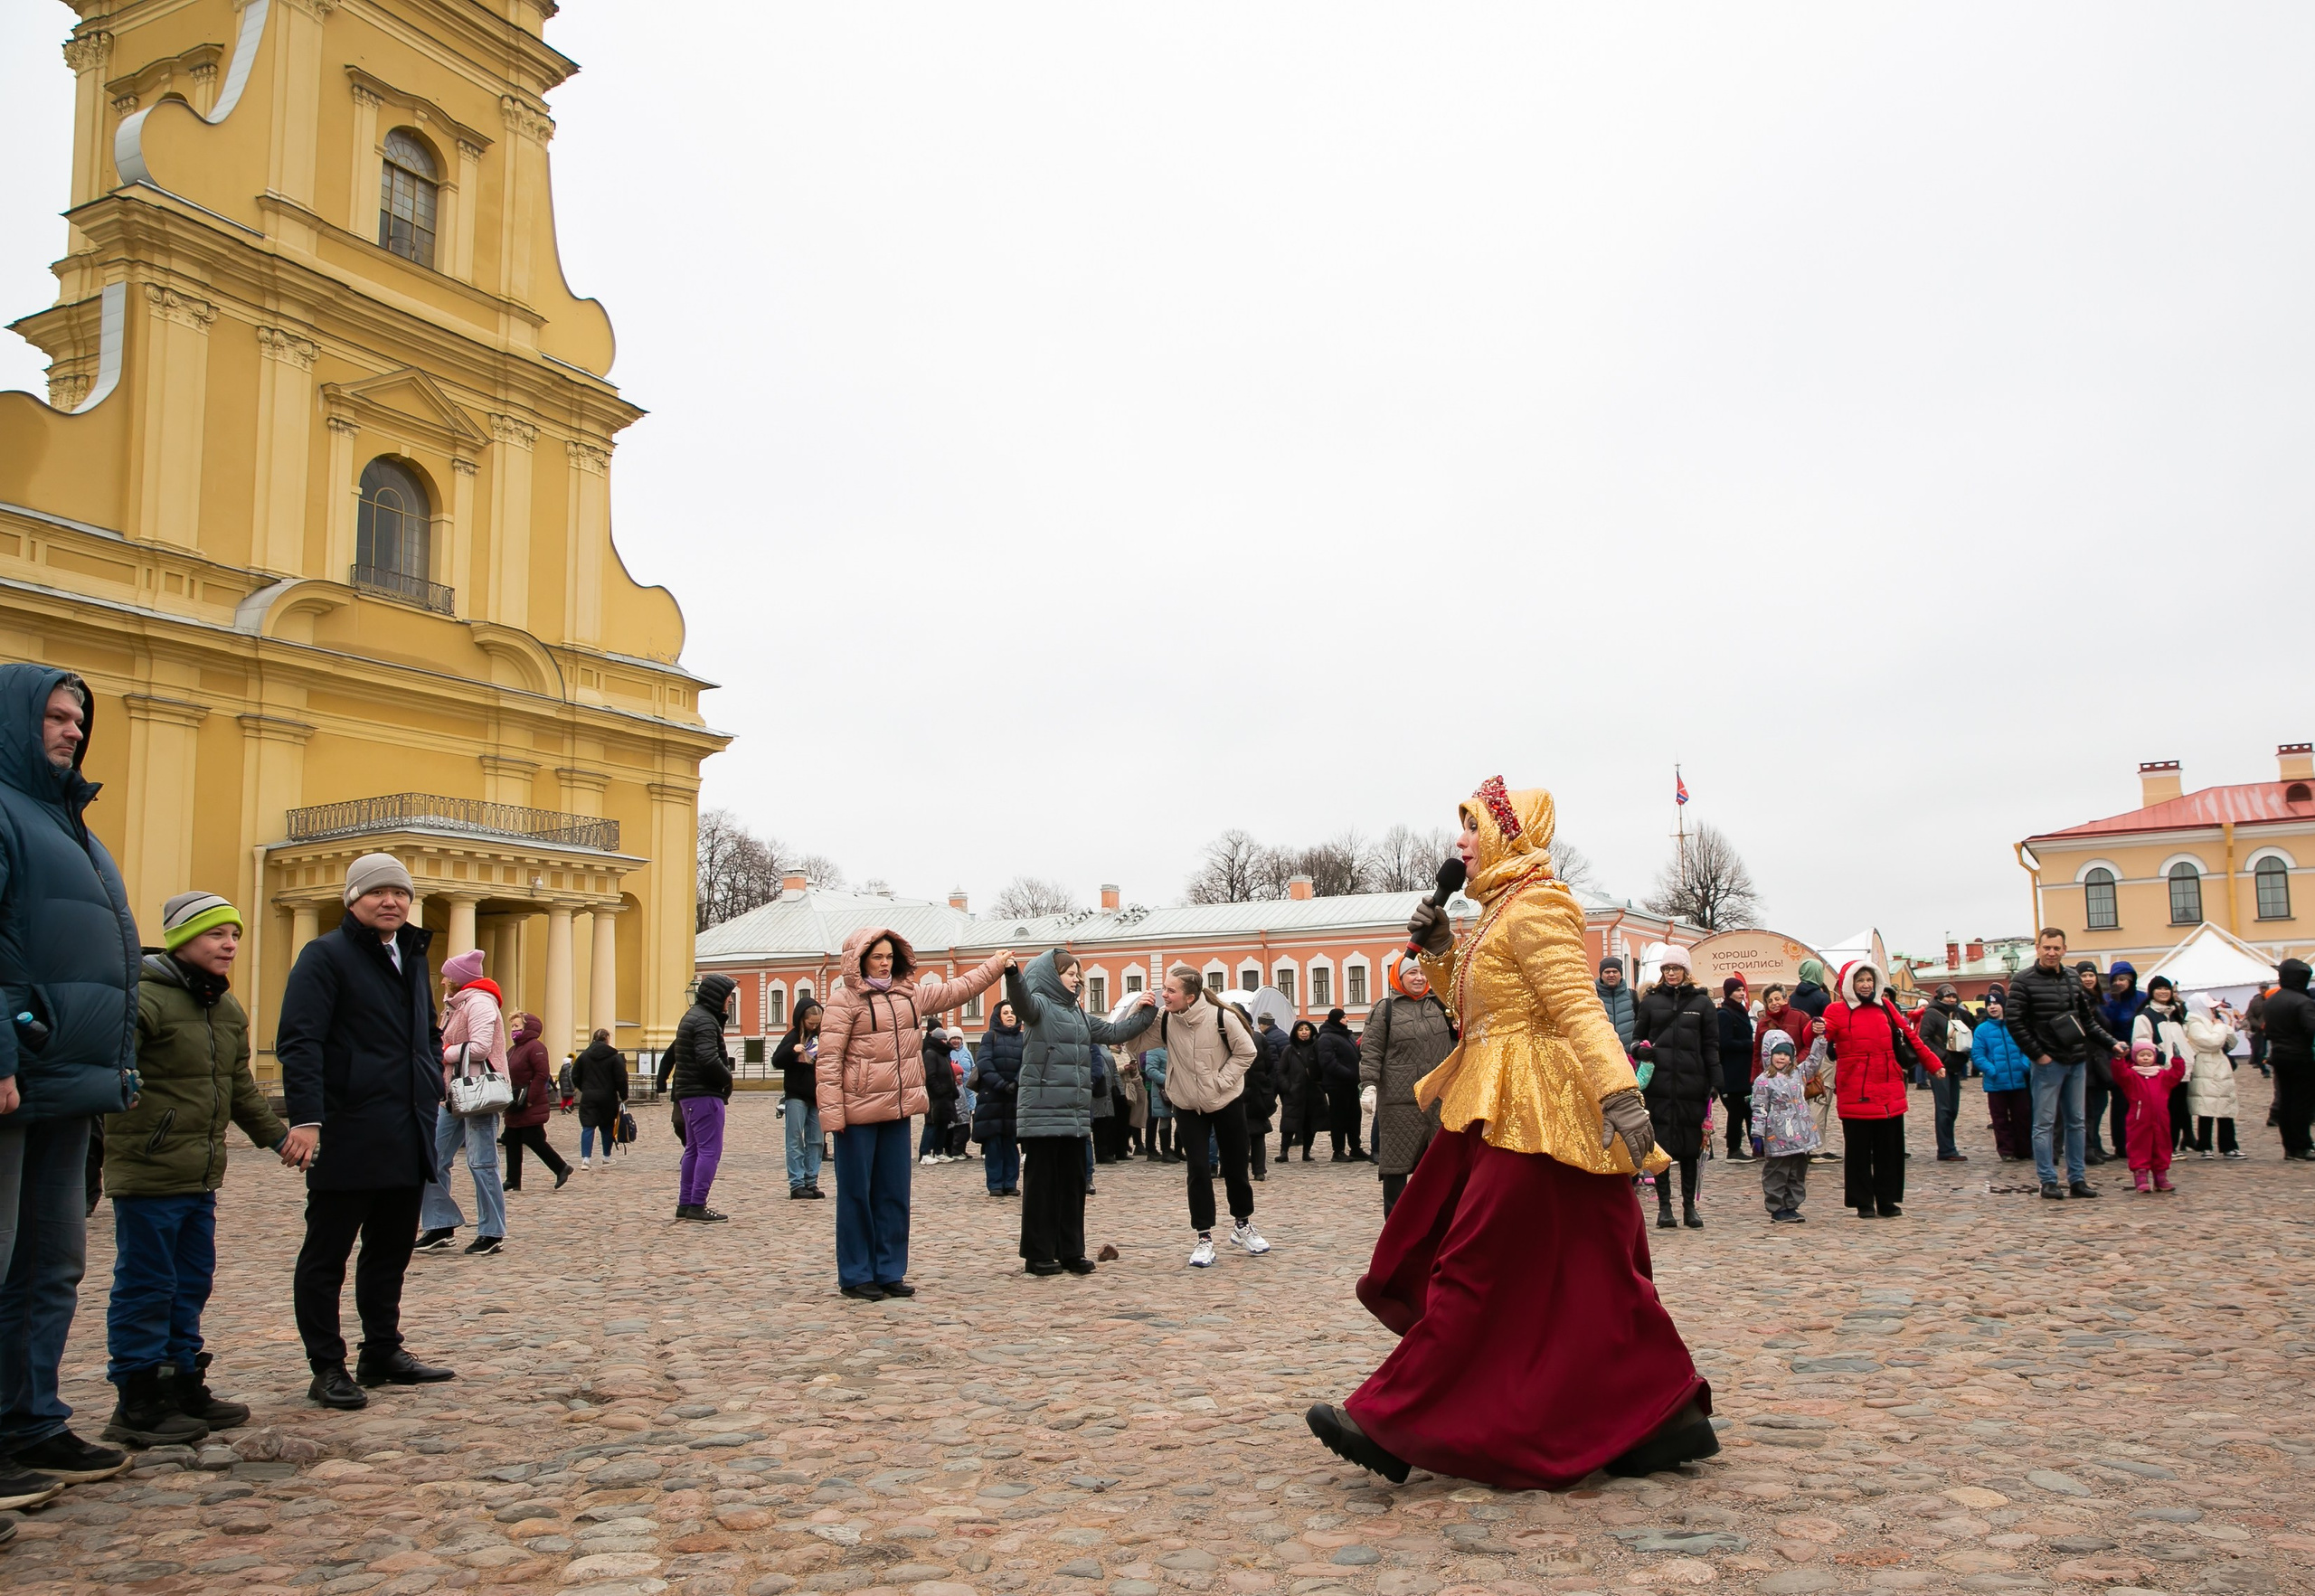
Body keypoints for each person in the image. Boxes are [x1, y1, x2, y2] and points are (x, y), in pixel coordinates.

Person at [1307, 778, 1710, 1489]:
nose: (1459, 842)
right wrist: (1437, 953)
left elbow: (1577, 1008)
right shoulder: (1498, 911)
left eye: (1470, 828)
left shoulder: (1539, 906)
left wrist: (1619, 1094)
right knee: (1600, 1272)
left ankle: (1392, 1420)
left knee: (1473, 1263)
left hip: (1542, 1110)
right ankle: (1665, 1415)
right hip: (1502, 1105)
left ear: (1505, 832)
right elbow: (1481, 1005)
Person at [0, 669, 143, 1496]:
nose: (69, 731)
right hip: (14, 1076)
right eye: (55, 717)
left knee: (52, 1261)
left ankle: (33, 1420)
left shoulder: (74, 826)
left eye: (78, 720)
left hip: (67, 1080)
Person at [100, 892, 293, 1451]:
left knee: (191, 1280)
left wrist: (279, 1139)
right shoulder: (142, 1000)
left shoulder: (224, 1008)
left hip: (201, 1172)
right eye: (216, 935)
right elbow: (112, 1069)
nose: (230, 945)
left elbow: (239, 1090)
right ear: (183, 939)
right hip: (149, 1171)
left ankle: (183, 1381)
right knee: (146, 1284)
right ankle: (137, 1399)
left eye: (234, 935)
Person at [279, 852, 456, 1410]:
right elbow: (300, 1040)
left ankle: (381, 1349)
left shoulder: (409, 955)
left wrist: (431, 1080)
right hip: (350, 1126)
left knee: (389, 1251)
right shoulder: (324, 956)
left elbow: (425, 1033)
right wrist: (308, 1119)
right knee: (327, 1255)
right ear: (352, 899)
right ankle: (326, 1366)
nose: (391, 902)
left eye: (400, 893)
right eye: (378, 892)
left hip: (406, 1126)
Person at [816, 929, 1009, 1300]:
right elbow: (828, 1062)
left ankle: (889, 1270)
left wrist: (995, 965)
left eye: (890, 956)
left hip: (898, 1110)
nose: (885, 962)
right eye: (877, 957)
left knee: (894, 1194)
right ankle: (856, 1274)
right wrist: (832, 1116)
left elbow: (958, 989)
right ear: (859, 960)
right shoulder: (844, 1000)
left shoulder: (910, 995)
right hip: (856, 1113)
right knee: (857, 1195)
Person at [1003, 951, 1157, 1274]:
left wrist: (1145, 1013)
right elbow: (1021, 1004)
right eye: (1069, 973)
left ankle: (1071, 1251)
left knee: (1073, 1186)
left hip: (1074, 1115)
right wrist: (1013, 975)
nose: (1076, 978)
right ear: (1049, 975)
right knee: (1042, 1188)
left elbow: (1115, 1033)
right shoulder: (1038, 1007)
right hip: (1043, 1113)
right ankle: (1038, 1254)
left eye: (1077, 973)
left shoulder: (1079, 1014)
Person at [1150, 966, 1265, 1266]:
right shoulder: (1165, 1019)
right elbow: (1136, 1045)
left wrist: (1221, 1082)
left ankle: (1243, 1224)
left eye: (1170, 990)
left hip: (1225, 1101)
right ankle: (1204, 1237)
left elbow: (1247, 1052)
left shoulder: (1221, 1017)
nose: (1164, 994)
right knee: (1198, 1169)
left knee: (1237, 1165)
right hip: (1187, 1104)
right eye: (1164, 988)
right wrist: (1140, 1014)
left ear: (1190, 996)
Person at [2003, 930, 2127, 1200]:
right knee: (2045, 1123)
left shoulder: (2072, 977)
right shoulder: (2023, 981)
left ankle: (2077, 1178)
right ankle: (2048, 1180)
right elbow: (2015, 1023)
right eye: (2046, 947)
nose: (2051, 952)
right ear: (2037, 948)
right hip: (2048, 1062)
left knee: (2077, 1121)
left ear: (2064, 949)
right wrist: (2038, 1054)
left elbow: (2087, 1020)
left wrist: (2110, 1043)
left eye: (2056, 948)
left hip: (2076, 1059)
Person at [1822, 962, 1938, 1219]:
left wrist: (1933, 1064)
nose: (1865, 984)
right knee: (1858, 1151)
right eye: (1860, 980)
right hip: (1856, 1090)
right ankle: (1863, 1201)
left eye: (1869, 979)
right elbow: (1819, 1037)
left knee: (1890, 1149)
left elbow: (1910, 1036)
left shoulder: (1885, 1006)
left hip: (1889, 1089)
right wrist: (1815, 1028)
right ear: (1849, 983)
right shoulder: (1836, 1010)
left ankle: (1888, 1200)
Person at [415, 949, 508, 1256]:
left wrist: (443, 1051)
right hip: (453, 1094)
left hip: (478, 1093)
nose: (443, 981)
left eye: (447, 976)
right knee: (432, 1158)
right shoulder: (458, 1004)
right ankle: (440, 1224)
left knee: (482, 1162)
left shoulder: (480, 1003)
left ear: (458, 979)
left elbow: (480, 1048)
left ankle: (492, 1231)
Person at [1361, 958, 1456, 1216]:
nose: (1420, 978)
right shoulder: (1385, 1010)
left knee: (1438, 1166)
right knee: (1396, 1166)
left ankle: (1434, 1221)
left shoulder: (1438, 1006)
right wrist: (1368, 1085)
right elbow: (1371, 1051)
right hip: (1398, 1103)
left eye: (1423, 973)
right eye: (1413, 973)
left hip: (1437, 1102)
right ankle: (1395, 1222)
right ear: (1399, 977)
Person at [1633, 953, 1716, 1230]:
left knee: (1690, 1148)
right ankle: (1665, 1207)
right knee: (1662, 1148)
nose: (1671, 973)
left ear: (1686, 971)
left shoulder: (1702, 1004)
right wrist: (1640, 1050)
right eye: (1667, 968)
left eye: (1676, 968)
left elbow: (1711, 1045)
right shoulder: (1651, 1002)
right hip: (1659, 1085)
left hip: (1692, 1084)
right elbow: (1635, 1039)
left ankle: (1690, 1207)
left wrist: (1716, 1080)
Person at [666, 975, 737, 1222]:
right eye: (728, 994)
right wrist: (727, 1078)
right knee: (709, 1150)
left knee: (693, 1149)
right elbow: (707, 1059)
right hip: (704, 1093)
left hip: (688, 1093)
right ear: (717, 996)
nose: (730, 1000)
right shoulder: (706, 1021)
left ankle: (686, 1203)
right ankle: (697, 1203)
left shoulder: (693, 1017)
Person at [1752, 1030, 1824, 1222]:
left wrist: (1820, 1039)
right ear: (1769, 1054)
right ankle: (1777, 1207)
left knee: (1797, 1172)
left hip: (1800, 1136)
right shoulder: (1764, 1081)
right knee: (1777, 1173)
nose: (1782, 1058)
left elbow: (1815, 1060)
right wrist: (1757, 1135)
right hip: (1778, 1137)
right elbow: (1759, 1109)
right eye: (1778, 1054)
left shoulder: (1798, 1074)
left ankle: (1792, 1205)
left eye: (1786, 1054)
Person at [499, 1014, 570, 1195]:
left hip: (529, 1103)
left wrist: (530, 1098)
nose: (514, 1030)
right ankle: (513, 1179)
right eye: (512, 1027)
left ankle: (561, 1167)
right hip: (515, 1102)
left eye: (517, 1026)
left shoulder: (535, 1047)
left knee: (533, 1139)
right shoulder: (514, 1049)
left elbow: (541, 1074)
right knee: (512, 1140)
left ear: (528, 1028)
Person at [2110, 1040, 2187, 1194]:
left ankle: (2161, 1176)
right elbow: (2120, 1073)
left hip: (2160, 1119)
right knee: (2139, 1147)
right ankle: (2141, 1176)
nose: (2145, 1058)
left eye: (2149, 1055)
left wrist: (2178, 1060)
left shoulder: (2162, 1075)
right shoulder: (2132, 1075)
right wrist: (2119, 1059)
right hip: (2139, 1119)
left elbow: (2176, 1075)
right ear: (2135, 1057)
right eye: (2141, 1055)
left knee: (2162, 1145)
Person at [770, 1001, 825, 1197]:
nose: (814, 1026)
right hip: (795, 1095)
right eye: (811, 1023)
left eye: (817, 1023)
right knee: (794, 1140)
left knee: (817, 1140)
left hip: (816, 1096)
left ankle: (811, 1181)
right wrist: (793, 1051)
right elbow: (776, 1061)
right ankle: (797, 1183)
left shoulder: (821, 1038)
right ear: (802, 1020)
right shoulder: (792, 1037)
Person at [2130, 977, 2190, 1154]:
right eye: (2159, 989)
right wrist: (2161, 1059)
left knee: (2179, 1109)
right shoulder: (2145, 1016)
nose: (2163, 992)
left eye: (2166, 988)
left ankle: (2173, 1145)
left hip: (2180, 1069)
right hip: (2161, 1071)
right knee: (2164, 1111)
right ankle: (2164, 1146)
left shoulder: (2174, 1015)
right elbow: (2141, 1042)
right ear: (2151, 992)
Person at [1913, 983, 1972, 1163]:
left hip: (1955, 1065)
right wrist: (1941, 1056)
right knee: (1944, 1107)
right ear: (1938, 997)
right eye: (1947, 996)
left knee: (1953, 1108)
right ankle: (1946, 1149)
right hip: (1939, 1066)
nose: (1951, 999)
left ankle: (1949, 1146)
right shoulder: (1931, 1014)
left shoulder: (1958, 1013)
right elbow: (1924, 1038)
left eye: (1954, 996)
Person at [1974, 987, 2035, 1161]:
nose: (1993, 1007)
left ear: (2003, 1006)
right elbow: (1978, 1055)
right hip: (1996, 1082)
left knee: (2022, 1117)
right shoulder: (1982, 1030)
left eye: (1996, 1004)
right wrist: (1992, 1070)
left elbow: (2026, 1048)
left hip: (2018, 1080)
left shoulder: (2015, 1025)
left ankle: (2024, 1149)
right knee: (2000, 1119)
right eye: (1989, 1004)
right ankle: (2006, 1151)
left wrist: (2023, 1066)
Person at [2263, 959, 2315, 1160]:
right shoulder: (2303, 1002)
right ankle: (2303, 1145)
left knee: (2285, 1101)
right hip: (2300, 1056)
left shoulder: (2272, 1000)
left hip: (2279, 1054)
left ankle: (2290, 1147)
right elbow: (2311, 1028)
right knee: (2302, 1103)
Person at [970, 1001, 1024, 1196]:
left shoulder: (1024, 1038)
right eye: (1005, 1012)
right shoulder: (989, 1037)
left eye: (1013, 1012)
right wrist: (1001, 1084)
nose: (1010, 1015)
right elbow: (984, 1063)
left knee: (1010, 1142)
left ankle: (1010, 1182)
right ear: (998, 1016)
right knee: (993, 1143)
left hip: (1013, 1098)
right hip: (992, 1097)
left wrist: (1016, 1083)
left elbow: (1027, 1063)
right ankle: (995, 1183)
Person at [2181, 994, 2243, 1159]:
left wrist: (2221, 1026)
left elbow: (2231, 1041)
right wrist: (2220, 1028)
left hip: (2219, 1067)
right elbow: (2211, 1042)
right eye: (2211, 1007)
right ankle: (2205, 1145)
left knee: (2225, 1107)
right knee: (2206, 1108)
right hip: (2205, 1068)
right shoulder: (2194, 1023)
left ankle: (2228, 1145)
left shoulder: (2212, 1022)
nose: (2213, 1010)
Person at [570, 1029, 628, 1171]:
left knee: (588, 1127)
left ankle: (586, 1159)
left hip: (589, 1095)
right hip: (608, 1096)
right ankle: (606, 1157)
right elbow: (621, 1078)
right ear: (607, 1039)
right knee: (607, 1127)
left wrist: (584, 1087)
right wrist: (624, 1095)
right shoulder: (614, 1057)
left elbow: (575, 1075)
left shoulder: (584, 1056)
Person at [1318, 1009, 1365, 1160]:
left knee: (1354, 1117)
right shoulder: (1326, 1038)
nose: (1348, 1019)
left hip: (1351, 1084)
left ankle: (1355, 1148)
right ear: (1337, 1019)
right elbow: (1328, 1062)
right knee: (1339, 1118)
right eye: (1344, 1017)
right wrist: (1349, 1074)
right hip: (1337, 1085)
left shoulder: (1347, 1035)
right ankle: (1338, 1151)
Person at [1715, 977, 1754, 1162]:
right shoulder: (1725, 1014)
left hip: (1745, 1069)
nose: (1741, 993)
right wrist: (1750, 1044)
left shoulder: (1741, 1011)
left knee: (1749, 1110)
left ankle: (1757, 1146)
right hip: (1733, 1070)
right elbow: (1725, 1043)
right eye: (1738, 990)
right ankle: (1734, 1149)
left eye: (1742, 990)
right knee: (1737, 1111)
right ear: (1729, 992)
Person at [1239, 1015, 1279, 1181]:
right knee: (1258, 1134)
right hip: (1259, 1091)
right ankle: (1259, 1170)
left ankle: (1236, 1169)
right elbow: (1270, 1064)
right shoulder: (1259, 1038)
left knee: (1239, 1134)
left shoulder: (1234, 1036)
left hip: (1239, 1091)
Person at [918, 1020, 959, 1166]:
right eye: (941, 1039)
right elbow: (930, 1076)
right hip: (935, 1098)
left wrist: (952, 1091)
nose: (944, 1042)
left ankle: (938, 1151)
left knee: (943, 1124)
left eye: (944, 1039)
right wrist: (939, 1091)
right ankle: (925, 1153)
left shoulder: (943, 1054)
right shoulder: (930, 1054)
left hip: (946, 1097)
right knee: (932, 1123)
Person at [1280, 1022, 1321, 1163]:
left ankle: (1306, 1152)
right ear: (1295, 1033)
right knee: (1289, 1123)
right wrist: (1287, 1087)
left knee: (1310, 1124)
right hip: (1294, 1093)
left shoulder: (1316, 1048)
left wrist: (1320, 1085)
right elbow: (1281, 1072)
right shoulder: (1289, 1050)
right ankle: (1284, 1152)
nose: (1304, 1032)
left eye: (1307, 1029)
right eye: (1301, 1030)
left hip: (1313, 1093)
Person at [1595, 957, 1637, 1050]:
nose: (1611, 975)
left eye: (1615, 971)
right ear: (1601, 975)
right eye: (1607, 972)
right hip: (1603, 1055)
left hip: (1629, 1057)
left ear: (1620, 974)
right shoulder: (1593, 998)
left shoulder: (1633, 996)